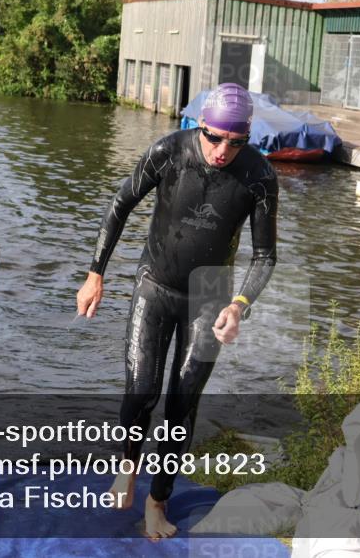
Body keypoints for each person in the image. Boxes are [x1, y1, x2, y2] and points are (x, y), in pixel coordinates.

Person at [75, 82, 278, 539]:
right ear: (199, 126)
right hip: (155, 284)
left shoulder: (260, 176)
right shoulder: (169, 151)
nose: (223, 150)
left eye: (236, 141)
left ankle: (157, 502)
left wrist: (240, 305)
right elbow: (120, 203)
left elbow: (265, 255)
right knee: (141, 389)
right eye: (215, 137)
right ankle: (128, 462)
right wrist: (95, 274)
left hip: (210, 298)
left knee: (182, 404)